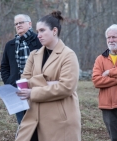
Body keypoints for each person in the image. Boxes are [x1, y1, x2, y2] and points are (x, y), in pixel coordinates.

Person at [15, 11, 81, 141]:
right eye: (37, 31)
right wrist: (50, 83)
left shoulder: (68, 55)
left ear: (54, 31)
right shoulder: (34, 55)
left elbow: (67, 88)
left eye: (42, 30)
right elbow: (24, 82)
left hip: (59, 120)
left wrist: (33, 91)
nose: (38, 35)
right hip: (33, 119)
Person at [0, 14, 42, 125]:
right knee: (22, 123)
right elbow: (4, 67)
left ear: (29, 23)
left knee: (38, 123)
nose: (18, 25)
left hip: (36, 89)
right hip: (16, 90)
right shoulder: (10, 45)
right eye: (16, 24)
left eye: (21, 22)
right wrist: (9, 82)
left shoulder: (40, 41)